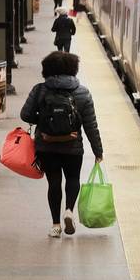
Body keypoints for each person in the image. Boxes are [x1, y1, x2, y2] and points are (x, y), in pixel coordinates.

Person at [20, 51, 103, 238]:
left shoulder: (40, 90)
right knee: (73, 179)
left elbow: (25, 115)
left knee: (54, 183)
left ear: (47, 69)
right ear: (73, 69)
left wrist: (42, 121)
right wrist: (98, 151)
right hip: (73, 147)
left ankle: (56, 225)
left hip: (46, 147)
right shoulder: (82, 92)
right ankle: (69, 211)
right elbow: (91, 125)